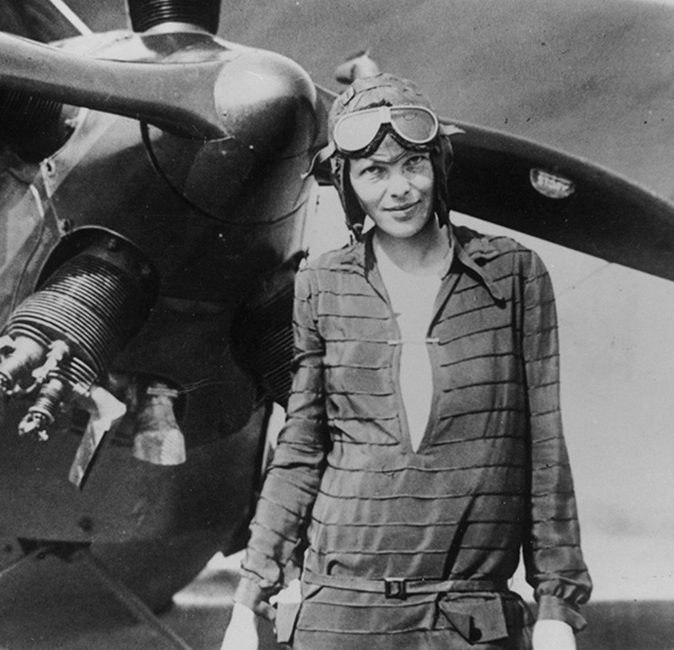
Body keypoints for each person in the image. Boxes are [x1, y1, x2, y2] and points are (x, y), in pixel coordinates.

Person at [220, 73, 592, 650]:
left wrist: (555, 605)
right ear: (349, 185)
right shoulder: (322, 282)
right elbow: (300, 448)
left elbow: (545, 447)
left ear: (439, 166)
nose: (399, 189)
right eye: (374, 171)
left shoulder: (515, 276)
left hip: (466, 617)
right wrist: (250, 596)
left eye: (412, 164)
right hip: (338, 612)